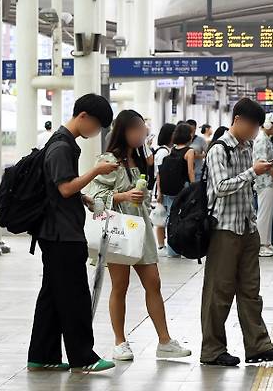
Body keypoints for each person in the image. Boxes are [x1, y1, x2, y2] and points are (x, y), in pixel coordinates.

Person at [86, 110, 191, 361]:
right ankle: (120, 342)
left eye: (143, 130)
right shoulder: (109, 160)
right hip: (118, 229)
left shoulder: (143, 159)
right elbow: (93, 198)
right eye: (137, 130)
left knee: (153, 282)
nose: (141, 135)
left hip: (139, 228)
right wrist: (123, 196)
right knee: (119, 286)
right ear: (123, 132)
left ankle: (164, 340)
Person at [28, 93, 118, 373]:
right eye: (96, 125)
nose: (95, 132)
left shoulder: (62, 144)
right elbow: (65, 187)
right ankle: (84, 358)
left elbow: (62, 188)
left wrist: (83, 198)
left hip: (58, 232)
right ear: (83, 117)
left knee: (53, 297)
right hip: (61, 235)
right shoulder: (61, 146)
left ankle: (42, 355)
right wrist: (96, 171)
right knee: (75, 297)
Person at [201, 98, 273, 367]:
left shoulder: (248, 146)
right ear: (238, 120)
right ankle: (213, 350)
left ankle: (258, 345)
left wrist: (267, 170)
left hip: (247, 228)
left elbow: (248, 183)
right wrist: (253, 172)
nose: (254, 132)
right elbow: (220, 187)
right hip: (224, 230)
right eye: (252, 126)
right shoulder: (219, 149)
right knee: (219, 292)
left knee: (251, 291)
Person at [157, 123, 196, 258]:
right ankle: (183, 248)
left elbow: (160, 172)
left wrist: (159, 192)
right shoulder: (189, 151)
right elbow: (190, 171)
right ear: (188, 135)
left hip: (169, 190)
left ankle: (172, 250)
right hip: (183, 189)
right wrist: (194, 189)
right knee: (183, 219)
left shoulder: (171, 150)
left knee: (170, 218)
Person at [253, 113, 273, 257]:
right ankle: (261, 245)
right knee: (264, 214)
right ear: (268, 124)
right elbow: (261, 161)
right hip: (265, 182)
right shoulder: (261, 140)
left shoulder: (265, 139)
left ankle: (267, 243)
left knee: (267, 214)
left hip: (269, 183)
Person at [152, 123, 176, 256]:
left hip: (162, 188)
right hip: (162, 188)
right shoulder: (163, 152)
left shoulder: (165, 150)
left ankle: (162, 244)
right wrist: (160, 192)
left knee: (161, 215)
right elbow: (160, 173)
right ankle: (161, 244)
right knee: (162, 216)